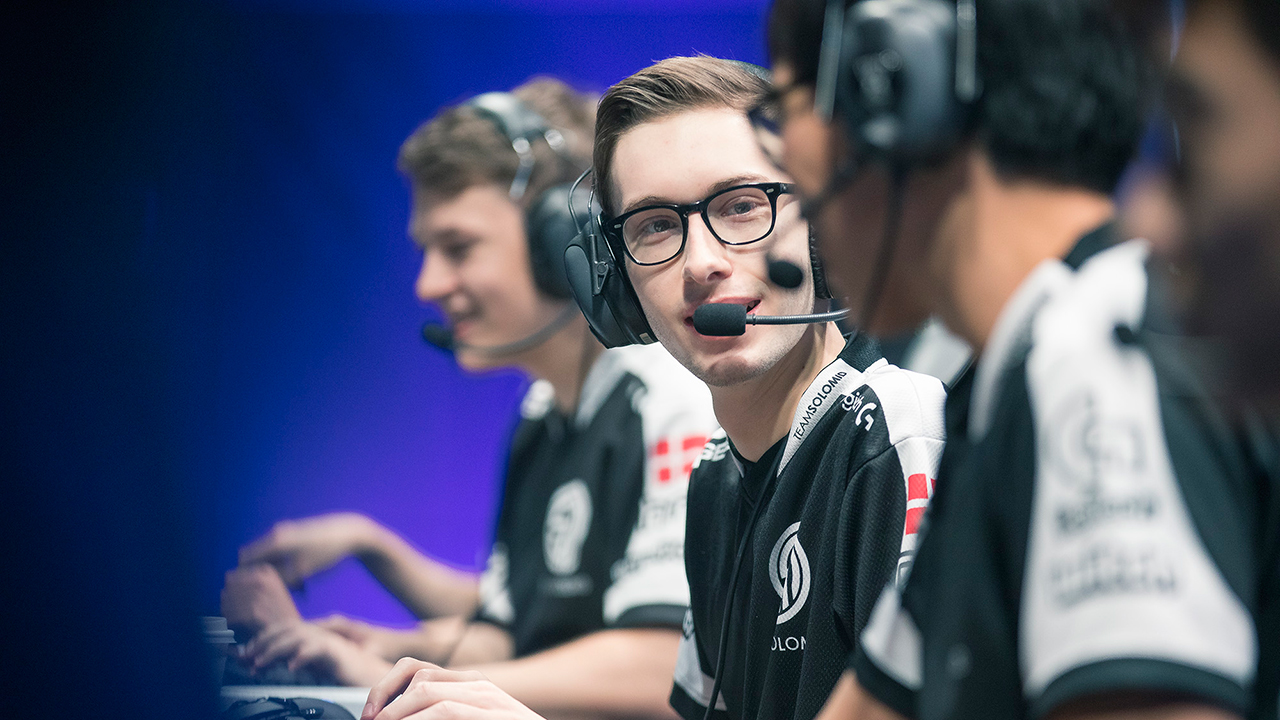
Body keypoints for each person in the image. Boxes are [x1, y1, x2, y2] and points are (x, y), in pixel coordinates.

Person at [361, 55, 948, 720]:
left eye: (742, 206)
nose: (701, 263)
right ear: (614, 283)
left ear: (819, 223)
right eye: (656, 225)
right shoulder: (717, 478)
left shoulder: (896, 434)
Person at [763, 0, 1271, 719]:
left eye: (785, 106)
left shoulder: (1090, 355)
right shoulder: (1002, 385)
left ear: (895, 90)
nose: (783, 155)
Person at [220, 77, 720, 720]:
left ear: (565, 241)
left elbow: (661, 667)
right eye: (427, 252)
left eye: (457, 248)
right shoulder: (544, 414)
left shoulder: (671, 397)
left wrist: (396, 676)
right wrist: (386, 647)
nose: (428, 284)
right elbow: (508, 632)